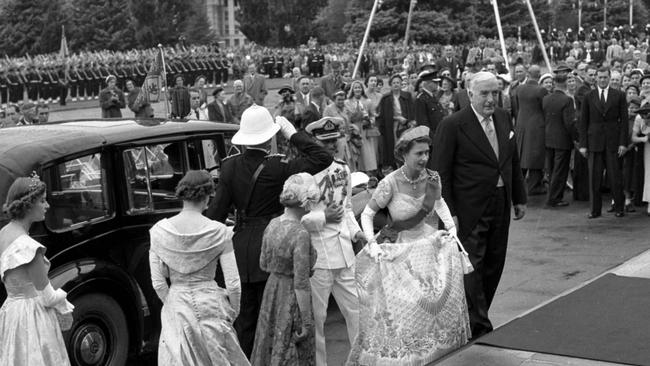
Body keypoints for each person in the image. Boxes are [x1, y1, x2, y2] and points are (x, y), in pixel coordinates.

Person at [206, 105, 333, 358]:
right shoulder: (279, 167)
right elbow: (323, 157)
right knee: (276, 323)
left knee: (245, 324)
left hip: (241, 249)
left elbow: (216, 216)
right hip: (276, 245)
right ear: (269, 137)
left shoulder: (230, 167)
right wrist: (293, 134)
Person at [347, 126, 470, 364]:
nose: (424, 158)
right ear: (404, 154)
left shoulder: (433, 178)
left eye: (427, 152)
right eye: (419, 153)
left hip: (429, 248)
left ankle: (434, 355)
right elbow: (368, 214)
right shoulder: (390, 183)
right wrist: (372, 243)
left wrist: (451, 230)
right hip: (400, 252)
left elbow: (440, 203)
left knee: (436, 307)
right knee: (407, 310)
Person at [433, 72, 527, 338]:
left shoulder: (502, 117)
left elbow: (512, 160)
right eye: (484, 93)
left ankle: (474, 314)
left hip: (500, 203)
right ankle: (479, 326)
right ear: (469, 93)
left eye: (494, 93)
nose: (490, 99)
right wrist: (448, 215)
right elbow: (440, 173)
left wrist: (519, 197)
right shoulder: (453, 125)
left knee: (494, 263)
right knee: (471, 267)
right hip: (468, 209)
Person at [149, 170, 248, 365]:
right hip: (210, 303)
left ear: (182, 195)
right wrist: (232, 312)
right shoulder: (219, 232)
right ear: (208, 197)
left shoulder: (159, 232)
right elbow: (233, 283)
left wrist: (171, 302)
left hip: (177, 303)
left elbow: (158, 282)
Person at [301, 117, 364, 366]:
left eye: (333, 141)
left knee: (357, 312)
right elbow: (297, 218)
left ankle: (358, 361)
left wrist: (356, 232)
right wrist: (323, 216)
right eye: (324, 142)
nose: (330, 147)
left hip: (344, 251)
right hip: (318, 255)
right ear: (313, 142)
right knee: (317, 319)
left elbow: (347, 208)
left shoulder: (343, 169)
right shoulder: (304, 174)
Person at [0, 174, 74, 365]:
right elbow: (48, 298)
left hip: (12, 314)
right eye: (42, 201)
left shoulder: (3, 234)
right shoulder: (30, 248)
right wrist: (65, 297)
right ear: (28, 205)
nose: (47, 206)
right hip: (33, 319)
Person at [250, 173, 320, 366]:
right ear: (306, 202)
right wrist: (306, 321)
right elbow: (301, 283)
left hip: (272, 291)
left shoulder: (273, 224)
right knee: (292, 347)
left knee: (269, 341)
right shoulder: (300, 234)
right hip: (291, 295)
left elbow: (263, 263)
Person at [578, 67, 628, 218]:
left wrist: (622, 143)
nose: (602, 80)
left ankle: (619, 208)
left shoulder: (619, 95)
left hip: (613, 142)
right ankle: (595, 210)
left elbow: (624, 122)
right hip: (594, 142)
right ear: (596, 78)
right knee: (594, 178)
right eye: (600, 77)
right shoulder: (589, 96)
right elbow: (583, 121)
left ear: (609, 77)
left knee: (615, 177)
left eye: (605, 77)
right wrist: (583, 145)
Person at [543, 68, 576, 207]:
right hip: (562, 139)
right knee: (560, 170)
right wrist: (576, 138)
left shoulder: (546, 98)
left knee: (552, 169)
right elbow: (569, 123)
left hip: (549, 137)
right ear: (565, 84)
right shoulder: (567, 100)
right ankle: (555, 198)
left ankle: (552, 196)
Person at [514, 65, 548, 195]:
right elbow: (544, 108)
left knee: (521, 154)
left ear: (528, 74)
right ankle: (534, 186)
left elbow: (517, 106)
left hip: (521, 124)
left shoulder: (520, 89)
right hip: (537, 126)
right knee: (535, 156)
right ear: (539, 74)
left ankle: (519, 185)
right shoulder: (541, 90)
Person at [376, 74, 415, 170]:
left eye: (398, 82)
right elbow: (382, 115)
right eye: (394, 83)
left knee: (405, 146)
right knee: (393, 147)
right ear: (390, 85)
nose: (396, 84)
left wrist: (409, 121)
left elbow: (412, 111)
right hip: (391, 127)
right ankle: (395, 167)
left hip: (405, 126)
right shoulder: (386, 98)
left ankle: (407, 166)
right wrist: (397, 118)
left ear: (401, 84)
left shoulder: (407, 96)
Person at [345, 80, 377, 173]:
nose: (357, 89)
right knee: (355, 153)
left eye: (359, 87)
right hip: (354, 130)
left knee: (367, 153)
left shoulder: (368, 101)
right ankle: (357, 173)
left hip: (365, 130)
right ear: (352, 89)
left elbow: (373, 115)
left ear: (362, 89)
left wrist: (370, 121)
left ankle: (369, 174)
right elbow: (346, 116)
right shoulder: (347, 102)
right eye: (355, 87)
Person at [414, 70, 445, 147]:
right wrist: (433, 139)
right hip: (432, 140)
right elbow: (423, 123)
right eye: (435, 82)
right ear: (428, 83)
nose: (437, 84)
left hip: (439, 135)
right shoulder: (421, 99)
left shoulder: (432, 97)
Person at [630, 103, 650, 215]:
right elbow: (633, 138)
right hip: (648, 148)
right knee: (649, 174)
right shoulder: (638, 119)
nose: (646, 115)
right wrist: (644, 139)